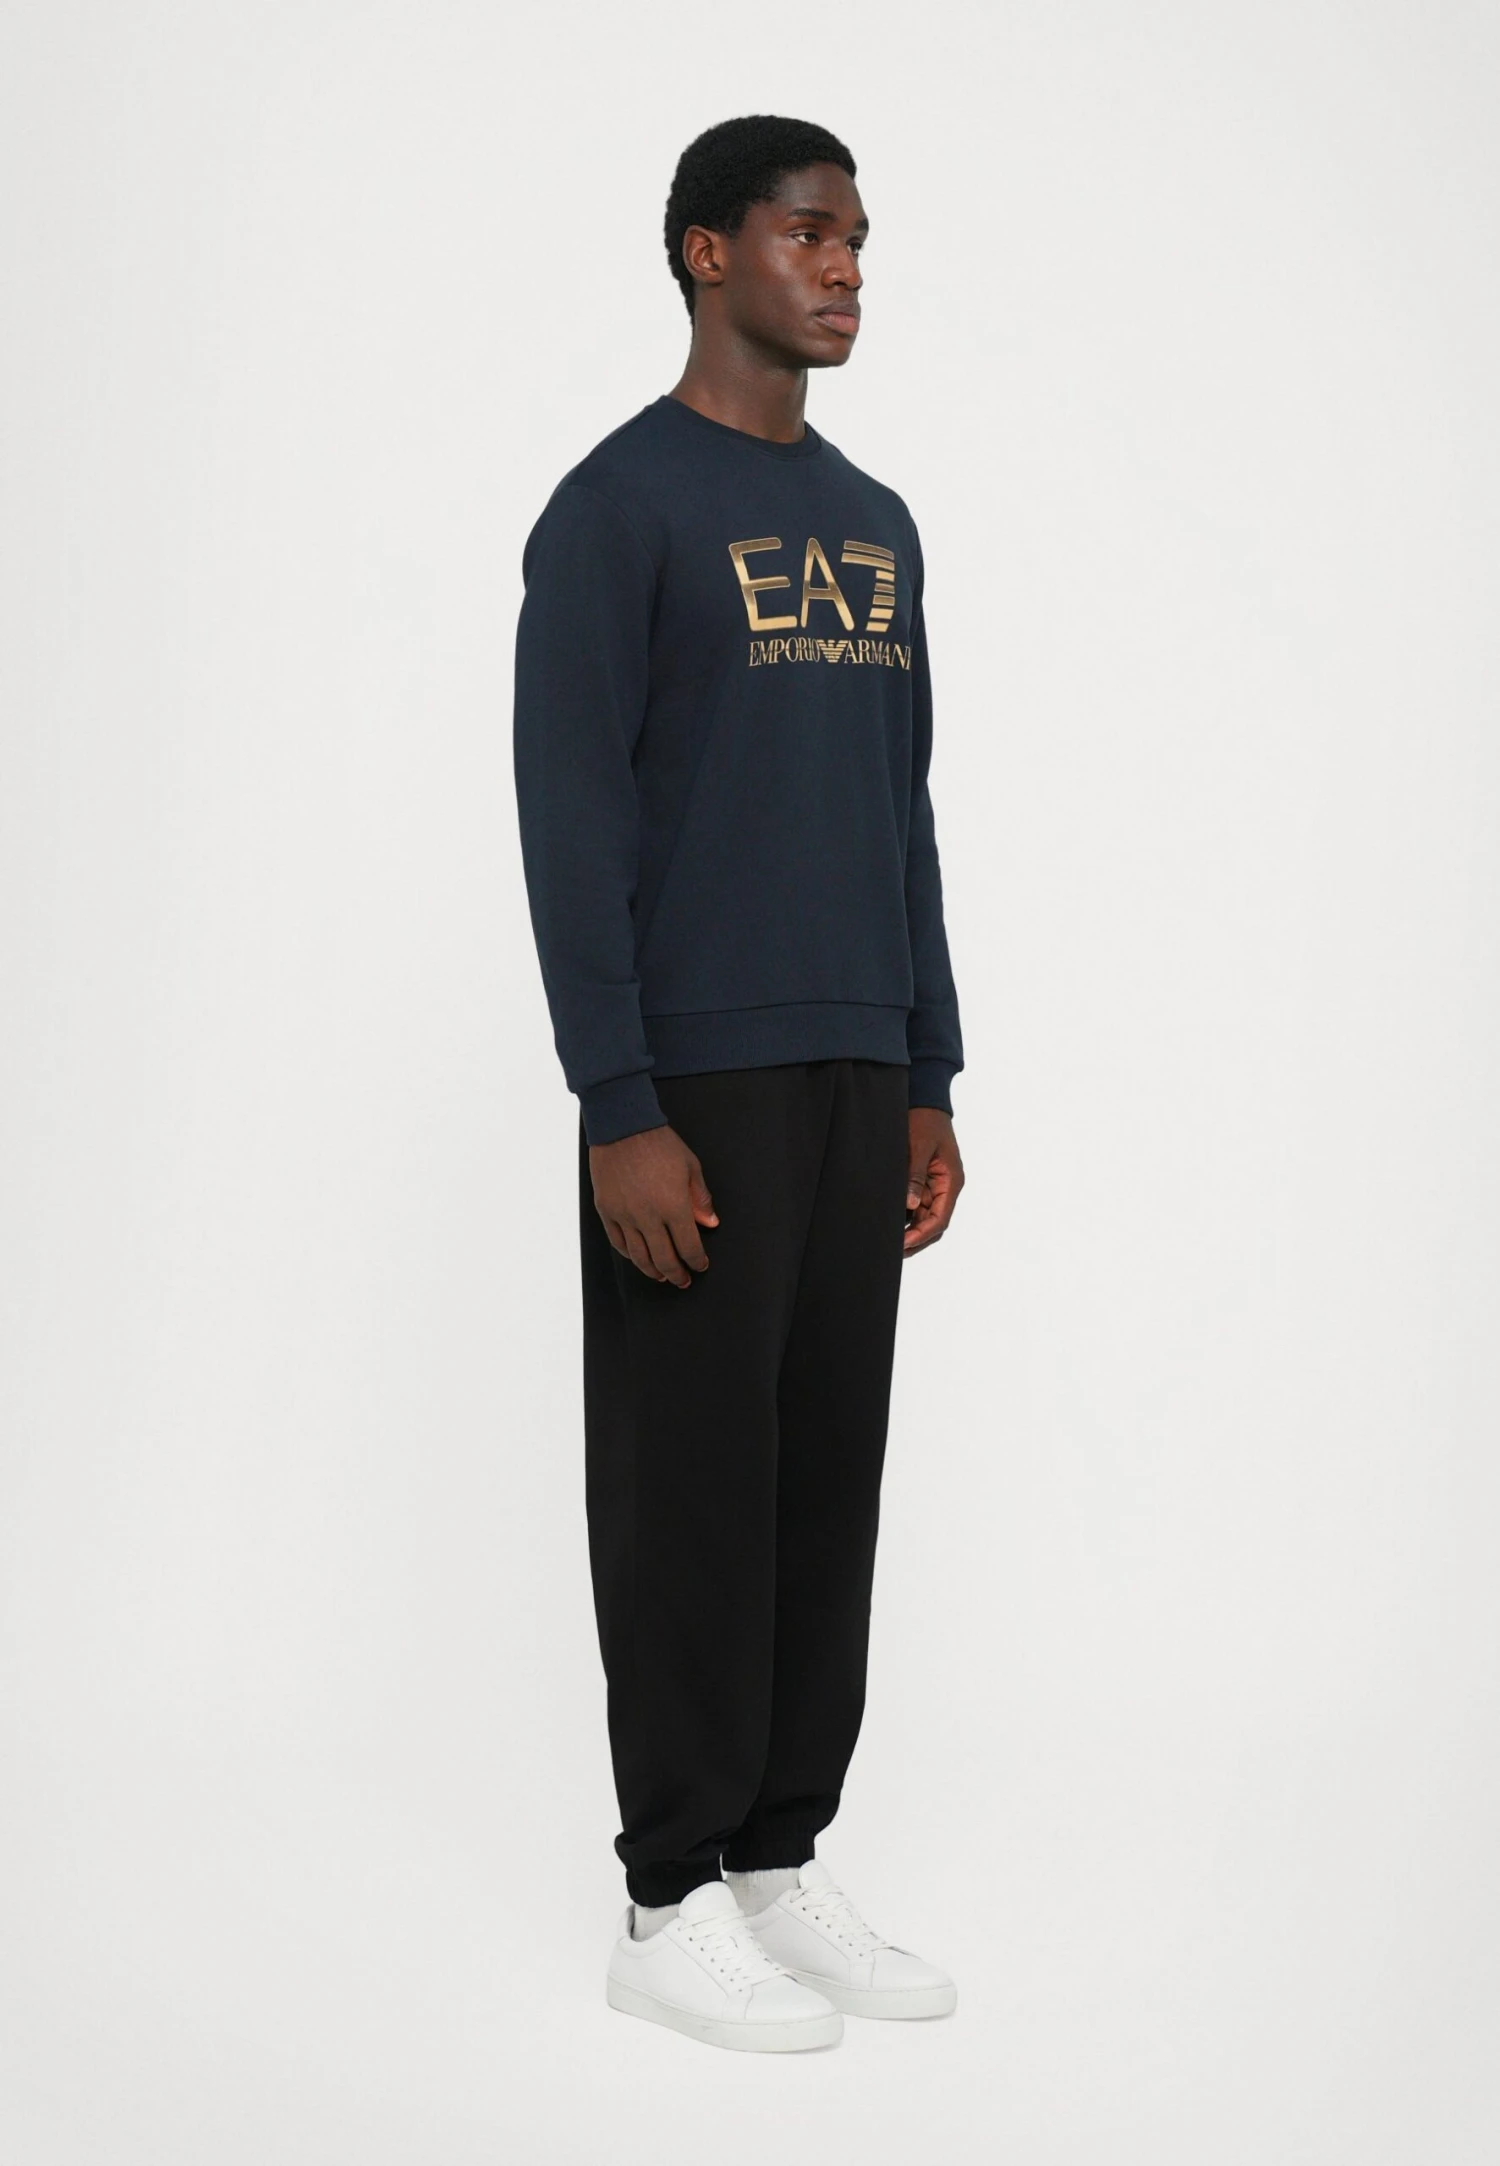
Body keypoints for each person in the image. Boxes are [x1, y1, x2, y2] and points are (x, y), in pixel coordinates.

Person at [512, 113, 966, 2054]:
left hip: (857, 1058)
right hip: (693, 1078)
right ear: (709, 251)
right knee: (689, 1484)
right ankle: (667, 1890)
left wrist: (930, 1065)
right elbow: (571, 818)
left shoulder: (877, 522)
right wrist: (617, 1100)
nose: (845, 266)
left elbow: (901, 803)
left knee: (822, 1476)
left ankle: (780, 1856)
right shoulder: (618, 508)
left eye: (858, 237)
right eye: (808, 232)